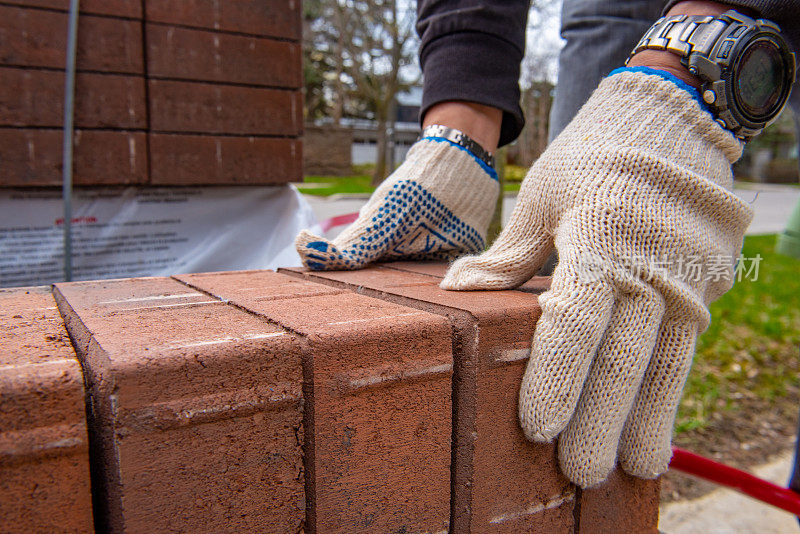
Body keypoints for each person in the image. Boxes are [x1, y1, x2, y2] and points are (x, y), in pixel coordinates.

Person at [296, 0, 799, 488]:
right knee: (579, 289)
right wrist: (459, 136)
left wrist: (692, 63)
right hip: (606, 14)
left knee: (615, 298)